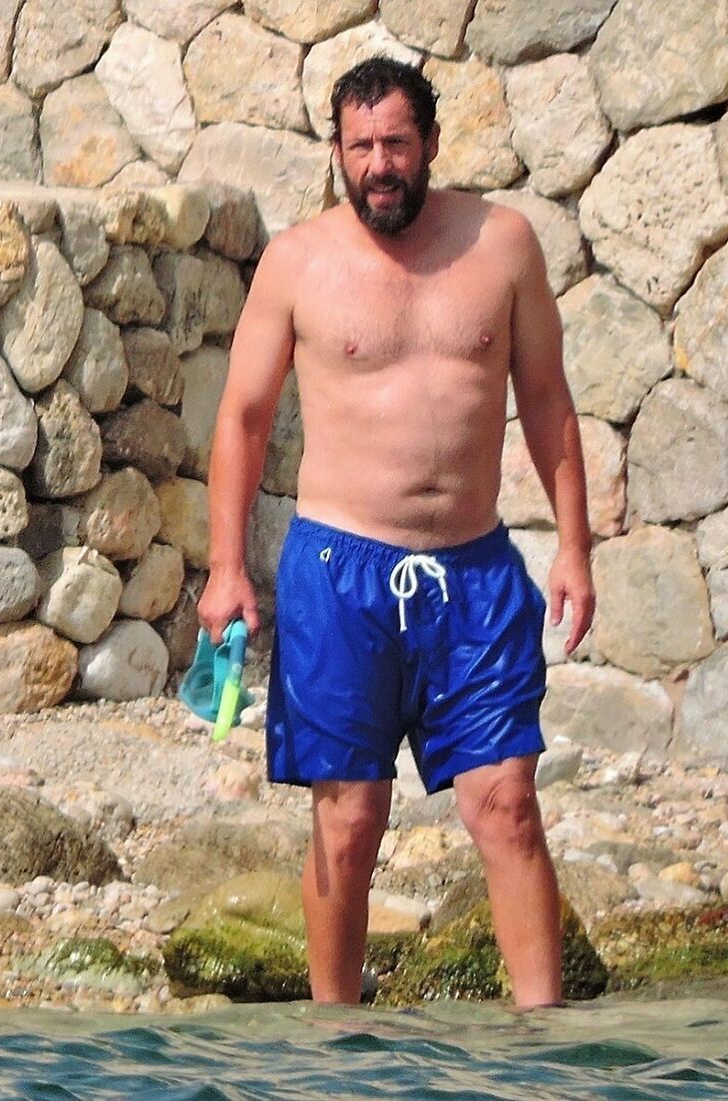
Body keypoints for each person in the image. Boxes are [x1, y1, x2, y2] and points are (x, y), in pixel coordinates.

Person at [198, 57, 595, 1008]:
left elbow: (546, 401)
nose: (381, 163)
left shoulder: (502, 245)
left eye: (397, 143)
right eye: (362, 145)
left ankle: (548, 1049)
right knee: (348, 823)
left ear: (430, 144)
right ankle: (337, 1040)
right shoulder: (298, 260)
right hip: (340, 573)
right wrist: (225, 568)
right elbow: (243, 418)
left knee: (508, 806)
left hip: (477, 573)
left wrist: (575, 544)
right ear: (337, 151)